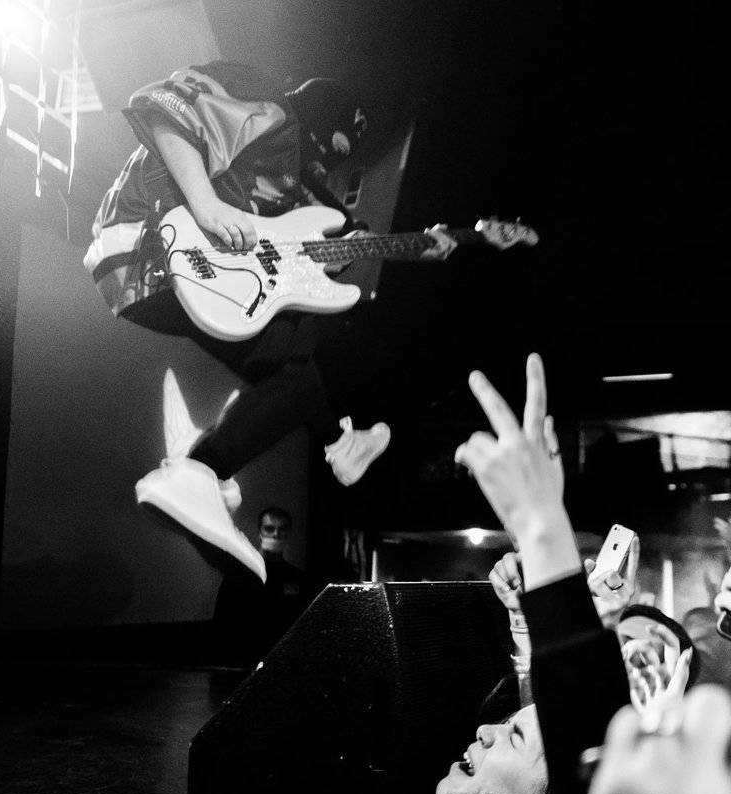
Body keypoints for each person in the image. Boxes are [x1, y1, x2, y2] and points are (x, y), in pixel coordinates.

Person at [84, 61, 457, 581]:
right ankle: (210, 467)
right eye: (336, 146)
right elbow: (165, 107)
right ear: (324, 121)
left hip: (152, 276)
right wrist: (206, 204)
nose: (330, 162)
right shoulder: (270, 108)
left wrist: (414, 246)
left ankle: (313, 445)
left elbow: (293, 252)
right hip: (153, 243)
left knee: (295, 367)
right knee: (308, 351)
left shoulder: (295, 182)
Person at [211, 506, 310, 668]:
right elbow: (223, 622)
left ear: (288, 533)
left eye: (282, 529)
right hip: (244, 660)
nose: (276, 534)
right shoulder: (241, 573)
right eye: (269, 529)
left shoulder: (297, 578)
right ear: (260, 532)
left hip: (282, 661)